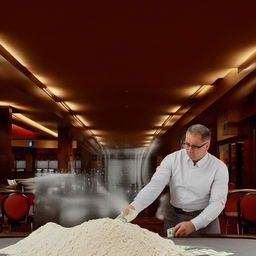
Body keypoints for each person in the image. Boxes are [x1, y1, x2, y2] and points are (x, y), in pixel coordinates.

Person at [121, 124, 229, 237]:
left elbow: (217, 202)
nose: (189, 150)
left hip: (206, 218)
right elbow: (155, 186)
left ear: (207, 146)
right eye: (187, 144)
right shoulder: (172, 159)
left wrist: (194, 224)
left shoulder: (219, 167)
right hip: (174, 217)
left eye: (195, 146)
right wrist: (134, 206)